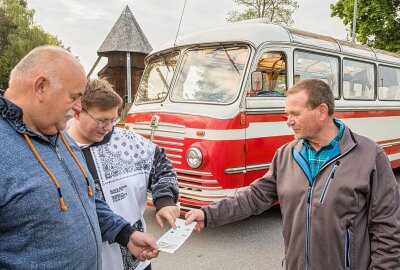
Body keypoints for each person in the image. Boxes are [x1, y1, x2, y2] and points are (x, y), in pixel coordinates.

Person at [185, 79, 400, 269]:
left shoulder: (370, 155)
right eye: (287, 114)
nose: (288, 120)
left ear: (322, 111)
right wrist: (208, 214)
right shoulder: (286, 154)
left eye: (295, 114)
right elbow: (254, 197)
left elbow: (387, 228)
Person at [0, 46, 159, 269]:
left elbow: (88, 200)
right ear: (41, 87)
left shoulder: (59, 135)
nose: (78, 108)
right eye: (74, 97)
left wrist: (125, 234)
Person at [66, 77, 179, 270]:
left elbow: (161, 165)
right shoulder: (59, 150)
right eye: (102, 120)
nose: (109, 127)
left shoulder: (129, 141)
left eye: (113, 119)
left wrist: (165, 201)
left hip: (138, 260)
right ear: (77, 112)